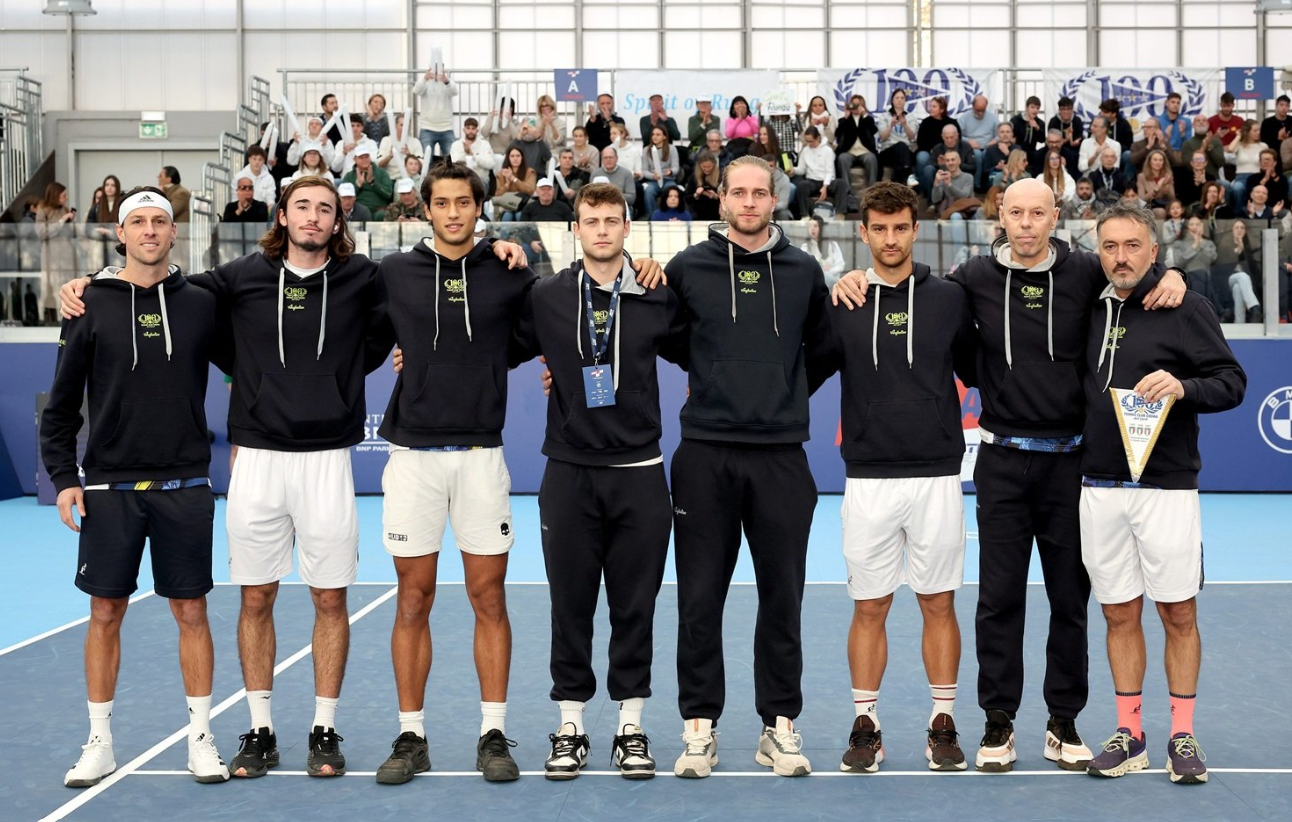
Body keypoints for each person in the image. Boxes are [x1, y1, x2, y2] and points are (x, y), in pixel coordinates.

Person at [833, 178, 1188, 775]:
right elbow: (904, 292)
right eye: (1015, 213)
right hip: (1000, 461)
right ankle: (999, 724)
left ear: (1056, 217)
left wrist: (1173, 273)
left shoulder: (1085, 273)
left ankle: (1063, 722)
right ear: (1002, 216)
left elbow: (1137, 272)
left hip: (1072, 462)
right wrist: (853, 278)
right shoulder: (970, 280)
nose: (1026, 224)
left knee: (1069, 598)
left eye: (1038, 213)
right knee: (998, 600)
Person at [368, 162, 658, 785]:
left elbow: (559, 334)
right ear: (426, 210)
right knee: (412, 599)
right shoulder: (392, 273)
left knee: (487, 597)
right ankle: (410, 735)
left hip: (480, 456)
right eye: (441, 203)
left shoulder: (511, 273)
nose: (452, 213)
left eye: (463, 203)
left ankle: (493, 734)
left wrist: (566, 368)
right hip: (412, 458)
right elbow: (358, 334)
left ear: (480, 209)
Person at [41, 186, 230, 787]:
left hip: (185, 484)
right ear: (120, 234)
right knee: (105, 612)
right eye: (138, 222)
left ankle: (201, 739)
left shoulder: (202, 303)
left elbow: (256, 365)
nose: (150, 231)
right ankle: (99, 741)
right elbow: (63, 405)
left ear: (175, 234)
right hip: (108, 488)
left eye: (160, 221)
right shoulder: (88, 303)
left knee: (192, 611)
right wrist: (63, 478)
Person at [510, 181, 686, 780]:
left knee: (635, 605)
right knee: (572, 604)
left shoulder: (657, 294)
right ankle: (570, 727)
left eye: (613, 220)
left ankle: (630, 727)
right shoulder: (547, 296)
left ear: (628, 228)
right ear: (575, 230)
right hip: (570, 472)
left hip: (639, 473)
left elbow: (706, 349)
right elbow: (487, 341)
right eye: (592, 220)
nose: (603, 229)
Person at [666, 156, 832, 780]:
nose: (750, 202)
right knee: (699, 599)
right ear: (723, 199)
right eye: (739, 192)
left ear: (774, 199)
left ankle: (779, 726)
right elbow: (666, 339)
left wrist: (779, 397)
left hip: (782, 458)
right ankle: (699, 728)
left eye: (761, 192)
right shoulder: (687, 268)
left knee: (781, 598)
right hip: (705, 454)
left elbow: (824, 348)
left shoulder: (803, 270)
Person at [1079, 202, 1245, 785]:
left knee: (1177, 611)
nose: (1120, 257)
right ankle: (1131, 733)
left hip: (1166, 487)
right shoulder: (1088, 305)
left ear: (1154, 250)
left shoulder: (1184, 305)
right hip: (1099, 487)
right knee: (1119, 613)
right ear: (1097, 251)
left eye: (1132, 246)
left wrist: (1183, 385)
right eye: (1110, 247)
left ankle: (1182, 733)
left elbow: (1232, 383)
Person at [816, 182, 976, 775]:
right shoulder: (844, 301)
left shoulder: (948, 299)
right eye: (878, 229)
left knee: (939, 602)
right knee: (870, 605)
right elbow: (799, 372)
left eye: (900, 227)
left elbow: (983, 367)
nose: (889, 239)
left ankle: (942, 722)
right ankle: (867, 725)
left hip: (936, 474)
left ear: (915, 229)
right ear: (863, 234)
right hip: (868, 477)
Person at [35, 182, 79, 325]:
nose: (66, 198)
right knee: (49, 287)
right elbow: (41, 233)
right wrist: (61, 221)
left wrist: (71, 221)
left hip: (67, 255)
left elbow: (73, 234)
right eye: (63, 195)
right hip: (51, 256)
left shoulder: (65, 209)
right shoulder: (43, 210)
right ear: (55, 195)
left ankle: (64, 320)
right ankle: (43, 318)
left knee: (66, 287)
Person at [792, 126, 846, 219]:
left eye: (811, 141)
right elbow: (802, 169)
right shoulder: (805, 150)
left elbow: (830, 171)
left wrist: (825, 186)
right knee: (801, 185)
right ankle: (804, 215)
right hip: (812, 181)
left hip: (827, 181)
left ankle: (840, 214)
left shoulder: (827, 151)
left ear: (818, 138)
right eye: (807, 141)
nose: (809, 144)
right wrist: (794, 170)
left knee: (841, 184)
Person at [834, 94, 880, 193]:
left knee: (871, 158)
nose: (855, 107)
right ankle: (846, 192)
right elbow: (837, 133)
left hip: (865, 151)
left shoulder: (868, 119)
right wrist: (846, 118)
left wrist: (864, 115)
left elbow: (874, 130)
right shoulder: (844, 120)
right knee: (842, 158)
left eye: (857, 105)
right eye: (853, 104)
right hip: (849, 151)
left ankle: (873, 191)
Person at [413, 65, 458, 160]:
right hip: (427, 127)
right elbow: (416, 90)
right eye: (435, 70)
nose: (437, 73)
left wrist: (446, 80)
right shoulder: (425, 82)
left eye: (439, 70)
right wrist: (425, 78)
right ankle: (426, 176)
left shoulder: (447, 83)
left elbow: (455, 91)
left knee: (452, 160)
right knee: (426, 161)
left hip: (446, 127)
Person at [875, 89, 918, 187]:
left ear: (905, 101)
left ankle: (894, 184)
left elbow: (912, 137)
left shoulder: (911, 117)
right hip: (889, 151)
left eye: (902, 98)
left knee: (903, 149)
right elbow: (882, 138)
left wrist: (905, 125)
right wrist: (890, 126)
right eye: (897, 98)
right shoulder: (884, 116)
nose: (899, 100)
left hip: (906, 152)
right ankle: (908, 174)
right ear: (892, 101)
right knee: (900, 146)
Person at [343, 143, 393, 219]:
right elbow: (344, 198)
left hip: (377, 211)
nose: (364, 160)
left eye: (366, 157)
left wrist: (373, 183)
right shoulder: (349, 176)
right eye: (361, 158)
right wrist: (358, 185)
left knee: (382, 215)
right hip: (358, 212)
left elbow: (388, 194)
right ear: (355, 159)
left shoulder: (381, 172)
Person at [641, 125, 680, 216]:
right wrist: (652, 176)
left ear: (664, 136)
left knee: (672, 191)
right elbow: (644, 170)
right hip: (653, 181)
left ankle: (671, 216)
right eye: (653, 134)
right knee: (648, 192)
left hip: (668, 179)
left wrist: (670, 172)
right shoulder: (646, 150)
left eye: (658, 134)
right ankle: (652, 216)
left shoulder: (672, 149)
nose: (655, 137)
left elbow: (676, 167)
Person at [493, 146, 538, 221]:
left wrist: (513, 179)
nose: (515, 159)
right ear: (508, 158)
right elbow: (498, 195)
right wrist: (507, 184)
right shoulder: (501, 174)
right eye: (512, 156)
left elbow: (530, 190)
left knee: (519, 215)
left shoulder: (530, 172)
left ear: (522, 158)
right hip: (507, 205)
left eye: (518, 156)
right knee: (507, 215)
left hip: (523, 204)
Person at [449, 117, 497, 185]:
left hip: (480, 179)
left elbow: (491, 164)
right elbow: (453, 163)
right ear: (464, 130)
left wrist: (473, 155)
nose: (471, 131)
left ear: (477, 130)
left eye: (473, 128)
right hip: (461, 179)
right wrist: (465, 153)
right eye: (468, 128)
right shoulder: (456, 144)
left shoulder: (485, 144)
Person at [800, 214, 844, 286]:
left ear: (821, 227)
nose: (812, 229)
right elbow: (802, 268)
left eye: (815, 226)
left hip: (831, 282)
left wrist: (828, 272)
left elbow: (841, 265)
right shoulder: (805, 247)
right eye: (810, 226)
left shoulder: (832, 245)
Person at [377, 113, 426, 177]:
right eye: (401, 125)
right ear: (395, 126)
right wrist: (389, 156)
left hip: (409, 179)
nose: (404, 128)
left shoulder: (415, 142)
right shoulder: (386, 140)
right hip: (391, 178)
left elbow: (422, 167)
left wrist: (409, 155)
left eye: (406, 125)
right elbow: (379, 165)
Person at [1049, 97, 1085, 178]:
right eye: (1063, 109)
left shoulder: (1077, 121)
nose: (1066, 112)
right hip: (1058, 149)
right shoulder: (1054, 121)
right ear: (1059, 110)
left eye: (1068, 109)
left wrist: (1075, 142)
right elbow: (1051, 141)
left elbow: (1080, 138)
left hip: (1074, 150)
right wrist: (1066, 140)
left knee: (1076, 156)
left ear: (1072, 110)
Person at [1138, 149, 1176, 218]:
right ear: (1149, 162)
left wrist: (1166, 187)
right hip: (1149, 207)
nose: (1158, 162)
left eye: (1160, 160)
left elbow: (1172, 198)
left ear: (1163, 163)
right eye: (1155, 160)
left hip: (1165, 205)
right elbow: (1142, 199)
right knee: (1160, 212)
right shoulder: (1142, 177)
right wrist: (1156, 188)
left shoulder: (1168, 175)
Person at [597, 146, 637, 211]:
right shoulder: (595, 174)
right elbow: (591, 196)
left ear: (617, 159)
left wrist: (612, 195)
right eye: (605, 157)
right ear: (602, 160)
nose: (608, 160)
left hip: (622, 208)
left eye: (611, 157)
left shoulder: (626, 174)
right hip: (600, 209)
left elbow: (631, 198)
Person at [686, 150, 722, 221]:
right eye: (704, 167)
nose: (707, 169)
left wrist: (716, 196)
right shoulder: (694, 177)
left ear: (714, 165)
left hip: (715, 210)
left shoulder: (719, 177)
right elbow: (687, 198)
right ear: (699, 165)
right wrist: (696, 195)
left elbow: (727, 198)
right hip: (697, 211)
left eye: (709, 166)